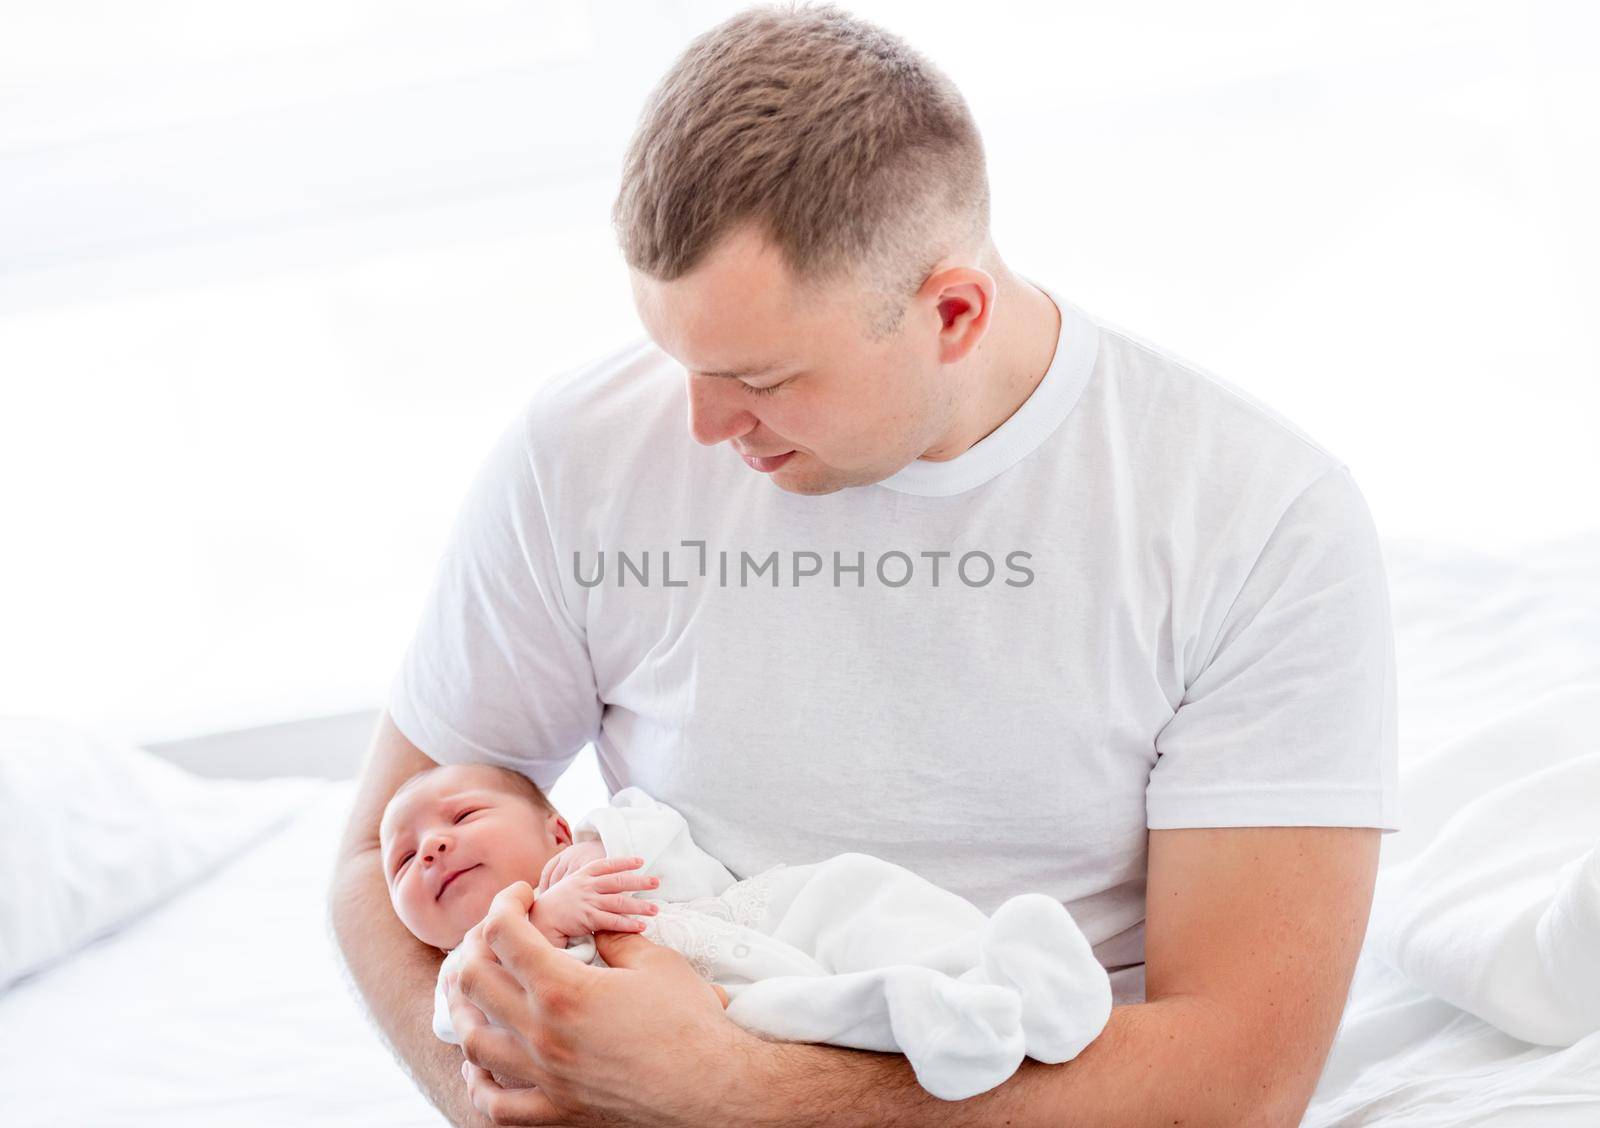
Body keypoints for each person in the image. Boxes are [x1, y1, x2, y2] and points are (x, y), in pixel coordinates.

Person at [330, 4, 1399, 1125]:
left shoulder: (1260, 522)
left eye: (764, 377)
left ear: (951, 312)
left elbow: (1239, 1079)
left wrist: (724, 1091)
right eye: (674, 354)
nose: (698, 425)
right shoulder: (581, 450)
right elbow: (372, 854)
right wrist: (510, 1086)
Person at [379, 761, 1115, 1102]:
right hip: (731, 1010)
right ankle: (942, 1021)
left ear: (558, 825)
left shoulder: (604, 843)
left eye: (463, 817)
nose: (434, 846)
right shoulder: (463, 972)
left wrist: (594, 853)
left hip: (758, 916)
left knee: (854, 888)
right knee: (817, 1014)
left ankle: (1005, 974)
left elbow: (654, 830)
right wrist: (537, 922)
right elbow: (473, 1028)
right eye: (405, 859)